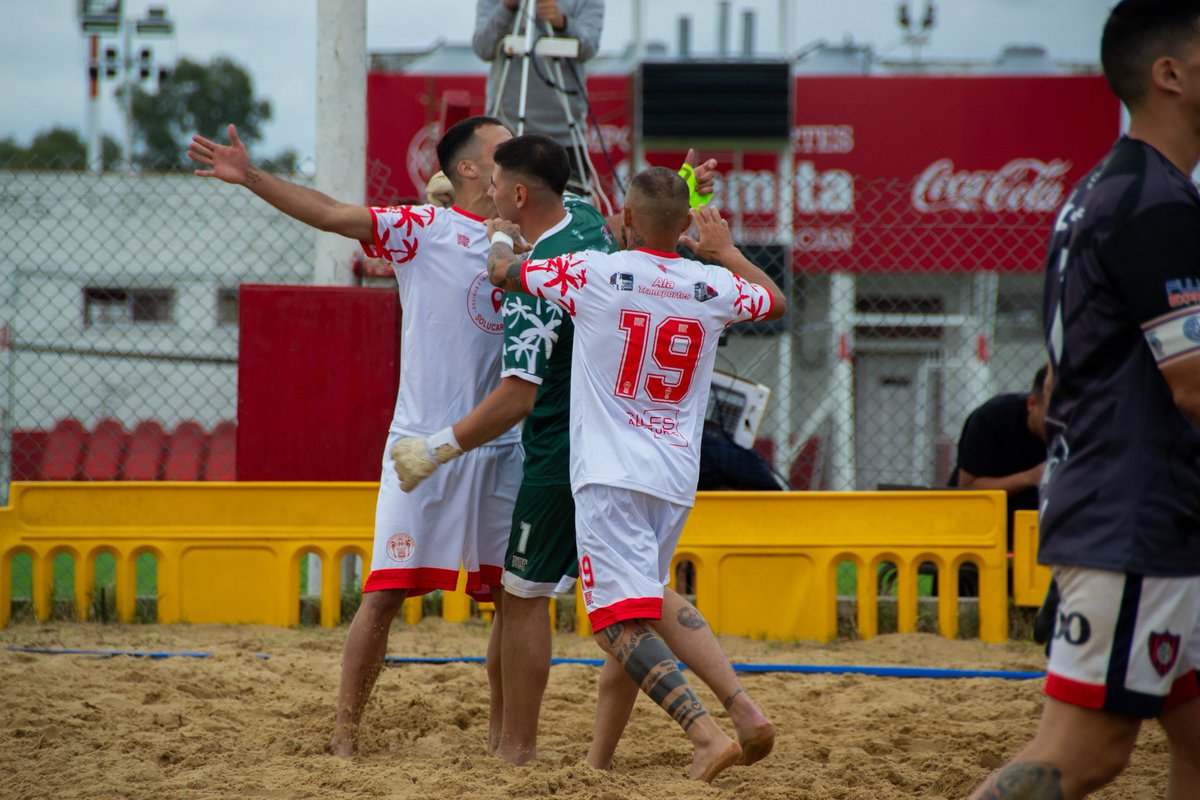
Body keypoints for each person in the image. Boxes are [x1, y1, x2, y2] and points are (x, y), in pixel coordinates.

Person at [188, 115, 523, 759]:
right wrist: (251, 175)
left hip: (497, 446)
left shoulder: (528, 235)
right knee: (384, 593)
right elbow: (333, 213)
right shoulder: (427, 229)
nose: (518, 154)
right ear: (471, 169)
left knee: (511, 599)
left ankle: (503, 738)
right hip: (420, 448)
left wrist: (684, 195)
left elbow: (619, 233)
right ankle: (345, 734)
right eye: (503, 146)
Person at [392, 136, 727, 767]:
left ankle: (517, 751)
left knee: (524, 599)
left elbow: (517, 397)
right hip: (648, 449)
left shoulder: (537, 279)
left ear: (519, 195)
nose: (489, 193)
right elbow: (647, 232)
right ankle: (721, 715)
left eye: (497, 184)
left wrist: (433, 450)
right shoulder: (586, 220)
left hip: (563, 451)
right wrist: (683, 187)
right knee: (642, 597)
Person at [968, 2, 1200, 798]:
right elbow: (1194, 381)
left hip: (1133, 502)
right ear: (1168, 75)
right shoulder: (1155, 202)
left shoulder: (1109, 188)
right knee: (1084, 755)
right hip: (1135, 513)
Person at [487, 167, 783, 782]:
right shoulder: (710, 283)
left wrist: (498, 237)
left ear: (622, 220)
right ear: (684, 228)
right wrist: (726, 251)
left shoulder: (596, 273)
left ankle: (706, 736)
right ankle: (737, 714)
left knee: (617, 625)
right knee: (643, 607)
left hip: (610, 473)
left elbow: (506, 274)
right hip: (674, 474)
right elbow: (775, 300)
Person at [473, 0, 604, 189]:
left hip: (565, 134)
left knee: (570, 209)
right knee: (500, 207)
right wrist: (507, 8)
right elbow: (482, 47)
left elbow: (589, 46)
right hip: (506, 131)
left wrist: (562, 24)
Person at [948, 364, 1050, 548]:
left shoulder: (1076, 429)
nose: (1058, 426)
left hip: (1039, 536)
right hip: (980, 530)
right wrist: (1031, 477)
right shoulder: (993, 418)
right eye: (1050, 417)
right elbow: (968, 489)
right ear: (1032, 403)